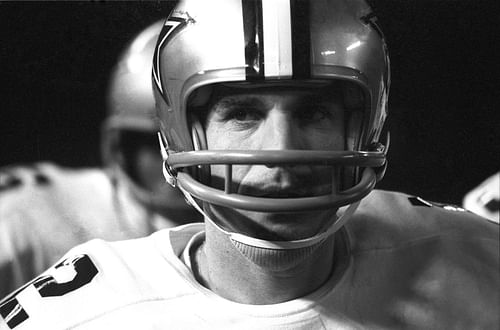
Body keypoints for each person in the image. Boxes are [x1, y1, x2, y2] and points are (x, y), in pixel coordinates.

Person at [1, 0, 498, 329]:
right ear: (178, 131)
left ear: (370, 123)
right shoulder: (83, 315)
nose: (281, 155)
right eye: (242, 113)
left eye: (314, 112)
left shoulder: (474, 258)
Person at [0, 21, 199, 298]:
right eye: (160, 142)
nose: (185, 161)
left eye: (200, 143)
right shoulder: (29, 216)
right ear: (119, 148)